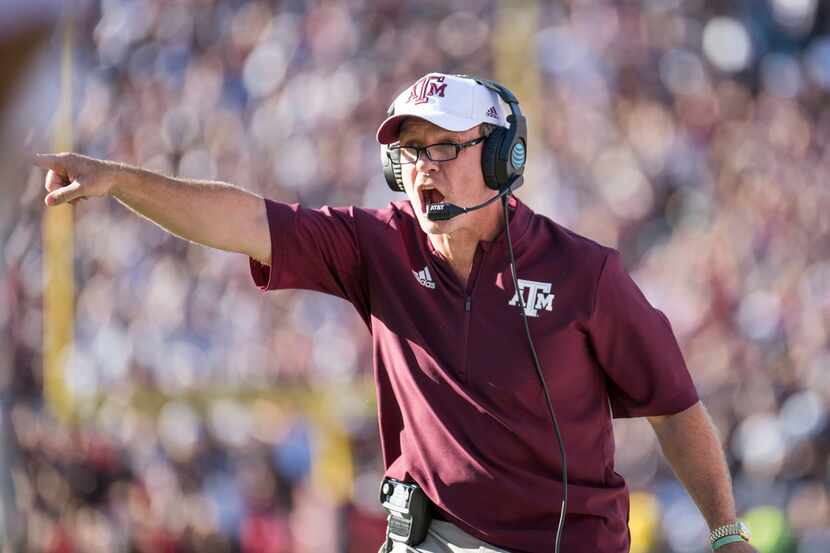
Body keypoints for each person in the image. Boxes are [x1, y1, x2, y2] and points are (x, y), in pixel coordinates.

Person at [33, 73, 757, 553]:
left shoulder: (586, 273)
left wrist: (725, 530)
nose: (424, 168)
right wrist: (121, 181)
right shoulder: (376, 244)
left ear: (505, 158)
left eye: (446, 147)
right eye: (411, 152)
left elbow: (674, 407)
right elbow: (244, 221)